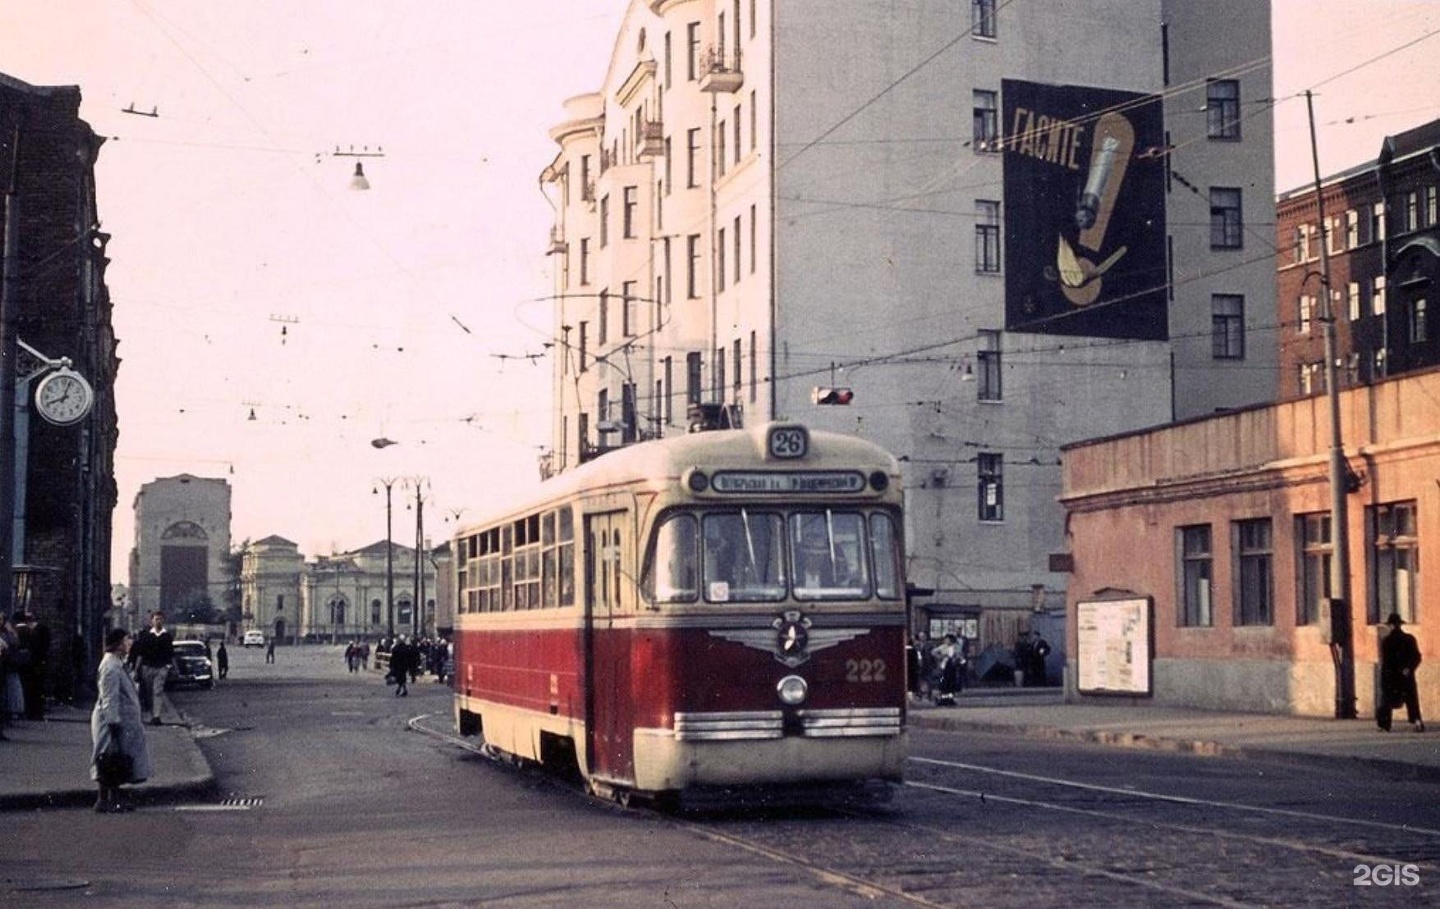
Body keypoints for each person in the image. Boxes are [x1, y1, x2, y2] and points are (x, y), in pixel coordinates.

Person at [91, 628, 153, 812]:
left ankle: (113, 798)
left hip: (119, 720)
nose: (130, 643)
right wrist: (113, 722)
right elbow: (109, 697)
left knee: (116, 760)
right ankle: (103, 800)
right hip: (111, 722)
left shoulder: (116, 663)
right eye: (127, 640)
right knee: (108, 759)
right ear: (118, 644)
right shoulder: (110, 667)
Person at [1378, 612, 1424, 733]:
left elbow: (1386, 661)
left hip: (1391, 676)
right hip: (1406, 676)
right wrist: (1409, 668)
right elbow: (1417, 657)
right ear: (1399, 625)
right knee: (1411, 700)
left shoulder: (1386, 641)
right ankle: (1417, 722)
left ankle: (1384, 725)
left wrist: (1384, 678)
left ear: (1390, 626)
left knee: (1387, 701)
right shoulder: (1409, 639)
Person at [128, 610, 176, 725]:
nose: (158, 621)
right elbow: (141, 654)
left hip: (161, 667)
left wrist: (174, 667)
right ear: (152, 621)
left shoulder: (167, 636)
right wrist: (136, 670)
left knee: (157, 691)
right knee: (148, 691)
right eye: (156, 619)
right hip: (147, 667)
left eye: (160, 619)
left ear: (163, 620)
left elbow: (171, 653)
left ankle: (156, 716)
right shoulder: (146, 636)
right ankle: (151, 712)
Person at [932, 634, 963, 706]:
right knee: (942, 683)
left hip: (952, 668)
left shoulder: (956, 647)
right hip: (944, 668)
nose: (946, 641)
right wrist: (940, 656)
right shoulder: (943, 647)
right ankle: (942, 699)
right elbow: (933, 652)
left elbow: (960, 655)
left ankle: (950, 699)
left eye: (947, 639)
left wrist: (957, 658)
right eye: (945, 639)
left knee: (951, 684)